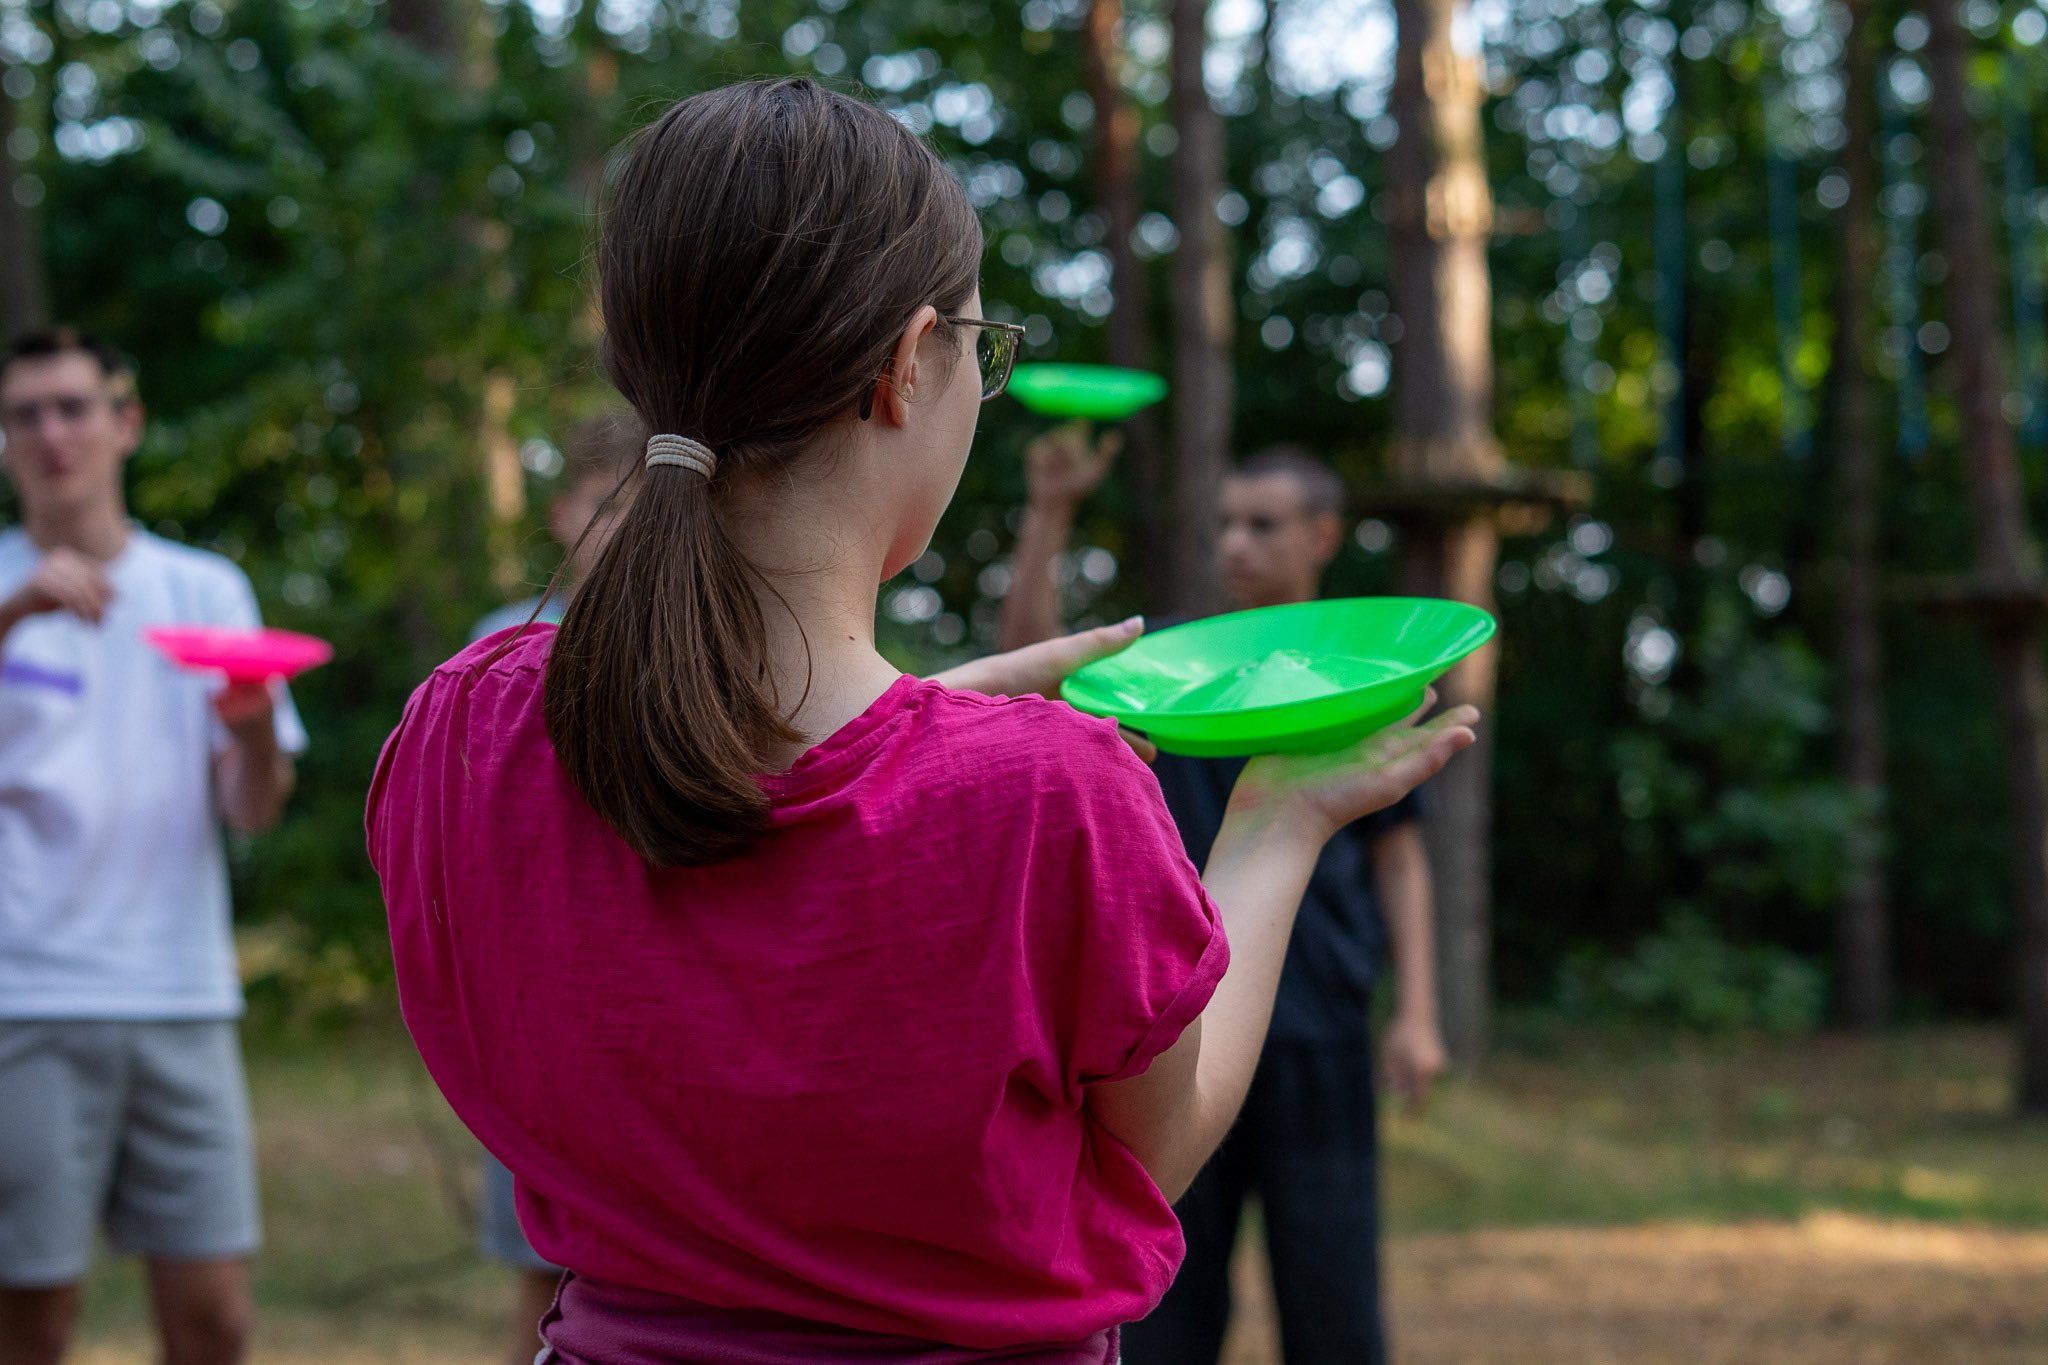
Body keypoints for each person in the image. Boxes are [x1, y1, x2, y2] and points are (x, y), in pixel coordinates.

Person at [367, 78, 1477, 1363]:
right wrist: (1277, 823)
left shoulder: (461, 733)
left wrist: (920, 730)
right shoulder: (1047, 795)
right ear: (905, 365)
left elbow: (721, 822)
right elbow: (1152, 1151)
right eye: (978, 347)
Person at [1001, 438, 1447, 1365]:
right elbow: (1033, 662)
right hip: (1177, 1039)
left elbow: (1401, 859)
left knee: (1334, 1309)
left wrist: (1417, 1011)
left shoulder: (1363, 679)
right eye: (1227, 524)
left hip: (1321, 1033)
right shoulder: (1174, 667)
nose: (1236, 544)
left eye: (1263, 524)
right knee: (1165, 1322)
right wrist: (1050, 513)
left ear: (1323, 536)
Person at [0, 328, 305, 1365]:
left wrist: (255, 721)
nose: (52, 433)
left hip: (180, 990)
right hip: (26, 994)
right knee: (31, 1320)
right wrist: (16, 614)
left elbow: (254, 808)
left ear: (124, 423)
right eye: (26, 413)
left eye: (73, 406)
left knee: (215, 1319)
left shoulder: (205, 591)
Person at [465, 408, 642, 1362]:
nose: (619, 526)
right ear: (560, 511)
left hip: (653, 1007)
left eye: (644, 505)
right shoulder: (504, 643)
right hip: (538, 1014)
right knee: (544, 1277)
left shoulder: (705, 641)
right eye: (601, 502)